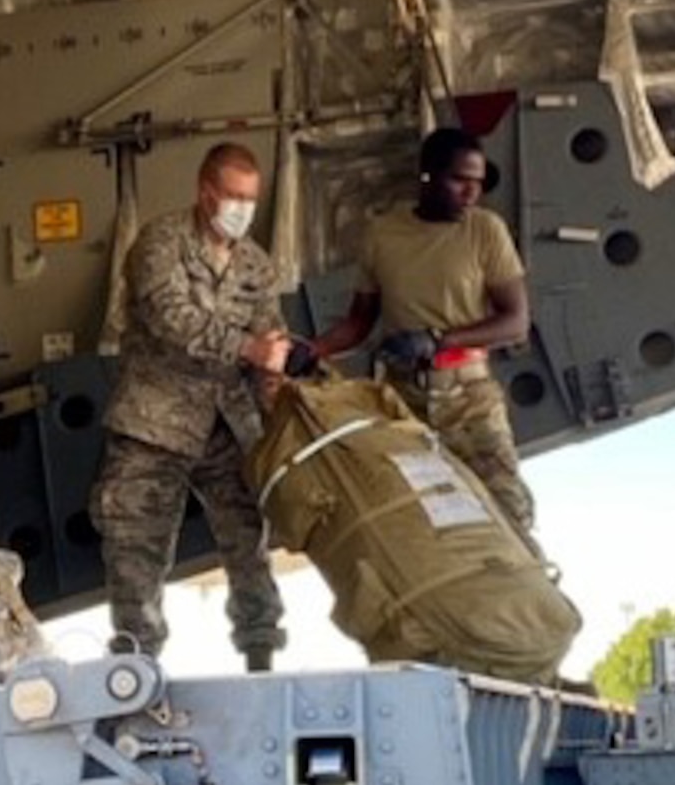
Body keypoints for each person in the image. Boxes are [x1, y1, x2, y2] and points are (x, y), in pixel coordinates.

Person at [92, 142, 291, 672]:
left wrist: (273, 372)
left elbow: (270, 329)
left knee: (249, 540)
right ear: (206, 193)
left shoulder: (255, 264)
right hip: (154, 422)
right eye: (233, 197)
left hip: (226, 424)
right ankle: (136, 668)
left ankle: (260, 650)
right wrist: (248, 348)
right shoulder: (160, 242)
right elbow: (170, 316)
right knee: (137, 548)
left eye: (251, 199)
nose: (243, 209)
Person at [312, 127, 538, 539]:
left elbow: (516, 321)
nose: (471, 193)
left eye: (478, 182)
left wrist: (438, 339)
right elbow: (359, 322)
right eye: (459, 180)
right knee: (424, 523)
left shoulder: (484, 230)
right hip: (405, 402)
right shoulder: (383, 235)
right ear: (427, 176)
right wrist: (312, 350)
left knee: (511, 516)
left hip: (470, 398)